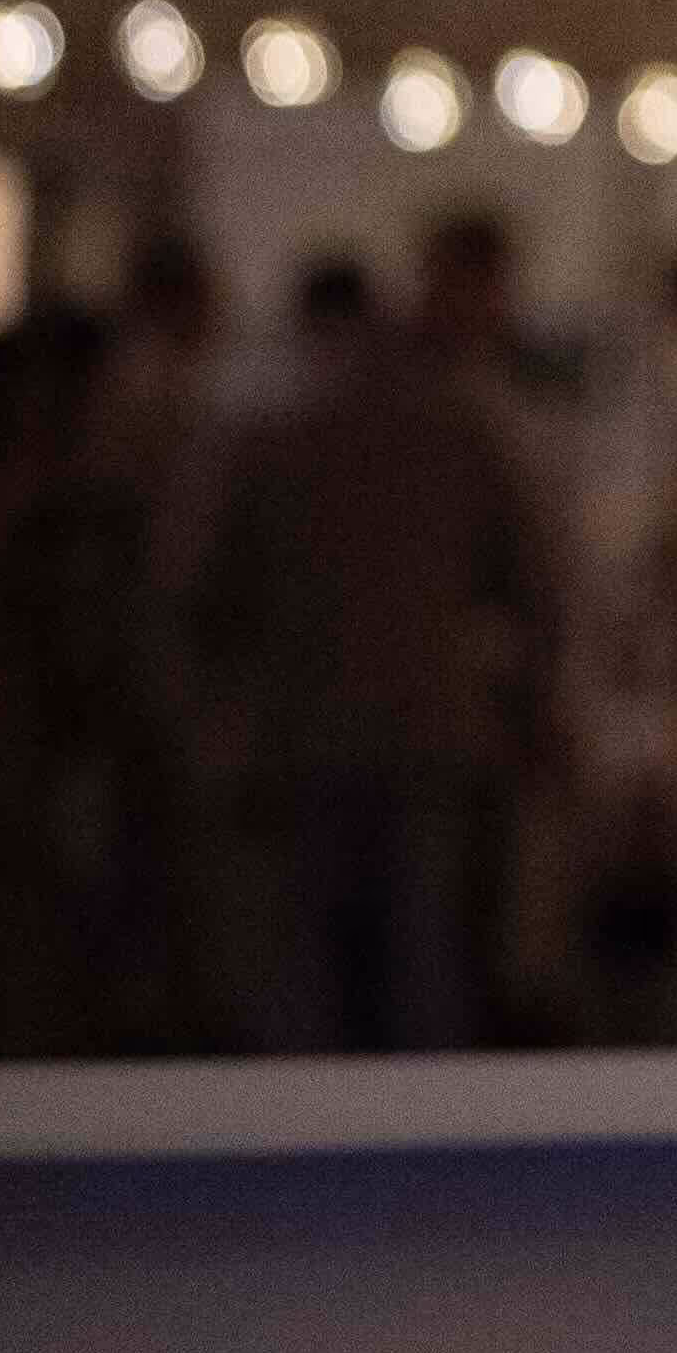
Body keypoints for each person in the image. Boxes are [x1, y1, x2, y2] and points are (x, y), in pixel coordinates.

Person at [195, 246, 568, 1053]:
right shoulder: (457, 428)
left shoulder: (272, 440)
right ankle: (436, 1157)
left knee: (310, 976)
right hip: (426, 729)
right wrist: (534, 708)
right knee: (419, 963)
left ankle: (303, 1153)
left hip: (304, 736)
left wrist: (221, 721)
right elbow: (535, 586)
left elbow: (208, 600)